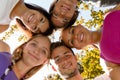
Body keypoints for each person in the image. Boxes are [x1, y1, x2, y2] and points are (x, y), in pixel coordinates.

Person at [100, 10, 120, 80]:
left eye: (72, 31)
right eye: (72, 42)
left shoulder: (109, 17)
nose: (75, 36)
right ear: (79, 48)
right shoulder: (105, 62)